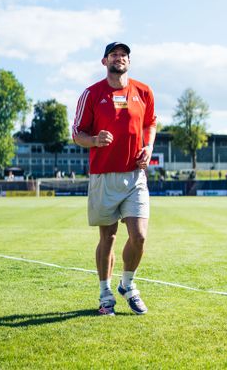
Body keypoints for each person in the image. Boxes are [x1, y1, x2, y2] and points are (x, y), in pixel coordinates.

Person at [72, 42, 156, 316]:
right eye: (114, 55)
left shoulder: (143, 91)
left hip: (135, 176)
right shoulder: (92, 94)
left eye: (123, 55)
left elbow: (150, 122)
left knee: (139, 236)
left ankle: (128, 285)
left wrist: (149, 147)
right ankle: (105, 293)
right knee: (108, 237)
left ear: (129, 62)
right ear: (104, 61)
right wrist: (94, 140)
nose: (118, 59)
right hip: (104, 177)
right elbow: (77, 133)